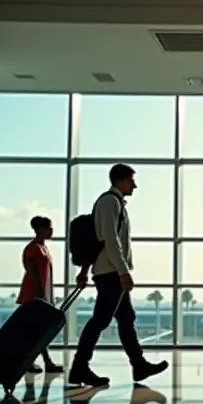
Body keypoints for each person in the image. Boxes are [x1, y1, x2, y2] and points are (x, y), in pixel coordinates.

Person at [69, 164, 168, 388]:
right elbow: (110, 240)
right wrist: (123, 271)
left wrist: (85, 271)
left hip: (110, 271)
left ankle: (138, 365)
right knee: (100, 320)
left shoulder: (114, 204)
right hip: (111, 273)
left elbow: (98, 242)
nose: (135, 185)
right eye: (131, 180)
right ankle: (79, 367)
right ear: (120, 180)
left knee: (125, 319)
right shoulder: (109, 202)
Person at [18, 215, 64, 374]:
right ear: (39, 230)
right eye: (48, 228)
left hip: (41, 293)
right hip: (34, 293)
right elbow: (31, 270)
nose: (51, 231)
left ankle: (41, 361)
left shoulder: (43, 248)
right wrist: (38, 292)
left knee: (39, 329)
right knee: (37, 329)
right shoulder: (33, 248)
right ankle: (39, 361)